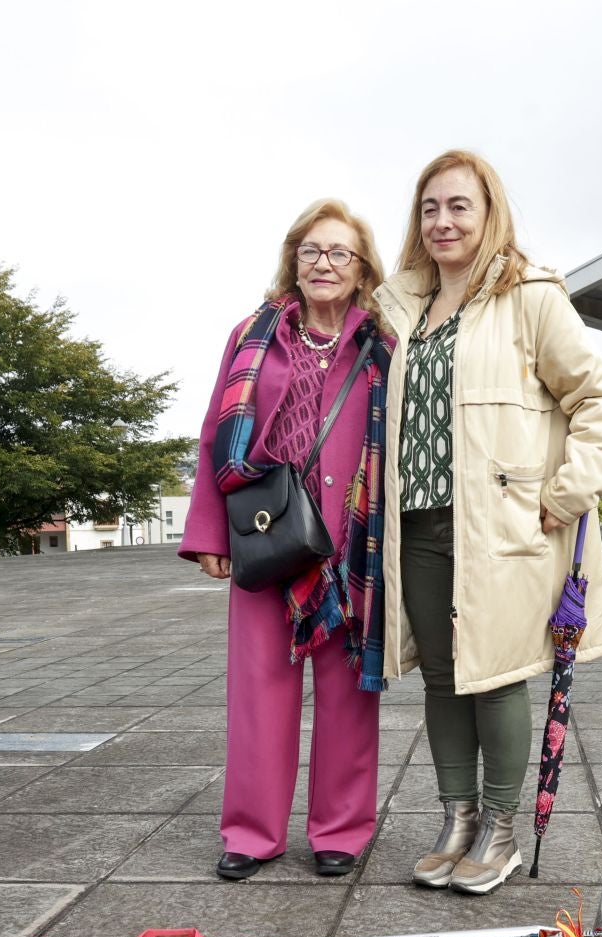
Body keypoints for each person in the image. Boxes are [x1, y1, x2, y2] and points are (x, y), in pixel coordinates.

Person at [372, 150, 602, 895]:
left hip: (502, 523)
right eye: (430, 208)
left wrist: (569, 492)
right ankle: (456, 821)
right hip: (417, 522)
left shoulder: (530, 298)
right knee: (444, 678)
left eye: (460, 206)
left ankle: (501, 830)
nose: (443, 221)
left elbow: (599, 399)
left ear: (490, 214)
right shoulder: (402, 308)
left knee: (498, 674)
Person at [180, 200, 393, 878]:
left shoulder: (382, 343)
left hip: (353, 542)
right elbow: (216, 433)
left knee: (348, 697)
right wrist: (210, 531)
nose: (323, 263)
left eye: (339, 253)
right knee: (259, 693)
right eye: (310, 251)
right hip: (267, 537)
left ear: (362, 271)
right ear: (292, 261)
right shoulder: (254, 334)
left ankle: (341, 829)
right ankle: (250, 834)